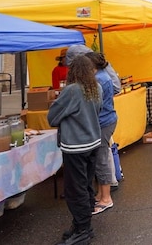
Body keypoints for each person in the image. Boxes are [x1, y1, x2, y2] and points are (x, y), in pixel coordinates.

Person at [47, 55, 102, 245]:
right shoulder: (96, 88)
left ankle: (82, 230)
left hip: (76, 147)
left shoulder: (71, 91)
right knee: (86, 186)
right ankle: (83, 226)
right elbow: (98, 111)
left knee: (74, 190)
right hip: (93, 143)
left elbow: (52, 118)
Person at [83, 52, 117, 216]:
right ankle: (101, 194)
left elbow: (94, 105)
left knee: (101, 160)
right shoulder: (103, 75)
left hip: (102, 122)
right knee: (100, 158)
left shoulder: (99, 80)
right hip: (107, 120)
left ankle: (106, 198)